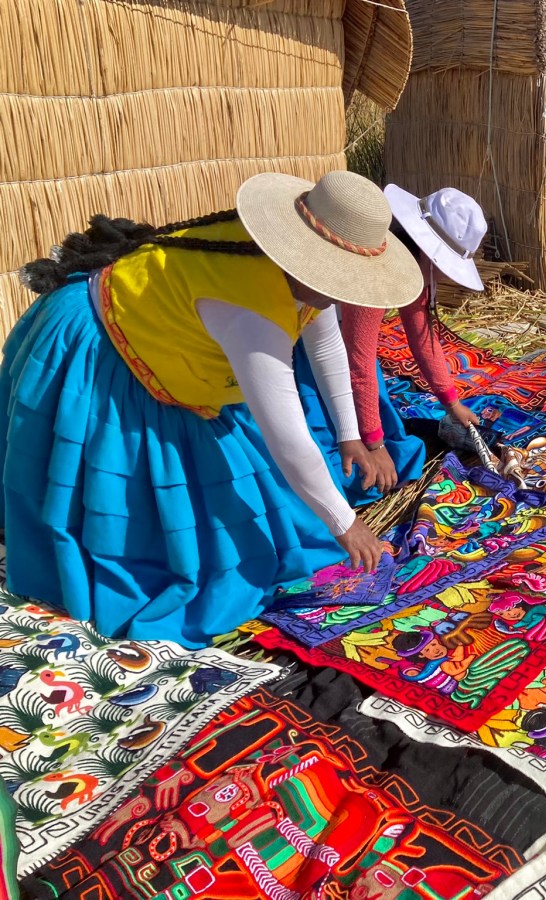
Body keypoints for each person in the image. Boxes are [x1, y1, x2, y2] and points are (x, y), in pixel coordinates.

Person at [0, 170, 416, 646]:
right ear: (309, 260)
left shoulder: (300, 273)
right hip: (105, 343)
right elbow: (287, 435)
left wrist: (349, 435)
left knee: (271, 507)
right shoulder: (250, 308)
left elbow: (324, 345)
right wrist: (347, 525)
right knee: (136, 523)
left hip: (179, 349)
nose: (345, 293)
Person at [300, 186, 488, 501]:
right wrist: (374, 445)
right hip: (315, 350)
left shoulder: (414, 267)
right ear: (428, 253)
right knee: (341, 454)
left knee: (389, 435)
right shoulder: (378, 269)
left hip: (345, 349)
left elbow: (422, 336)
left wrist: (452, 403)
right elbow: (356, 360)